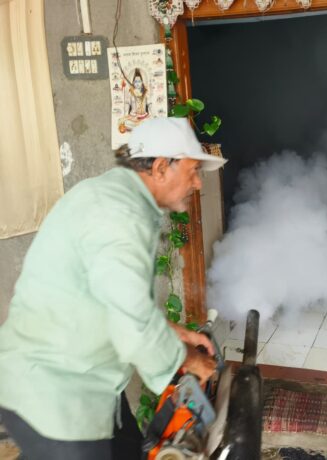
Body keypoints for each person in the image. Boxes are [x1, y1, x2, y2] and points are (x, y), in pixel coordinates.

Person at [0, 117, 227, 460]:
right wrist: (192, 360)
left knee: (127, 451)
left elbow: (113, 300)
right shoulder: (120, 216)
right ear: (161, 167)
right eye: (193, 171)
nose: (197, 183)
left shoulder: (111, 196)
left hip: (86, 378)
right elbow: (133, 325)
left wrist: (175, 332)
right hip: (56, 392)